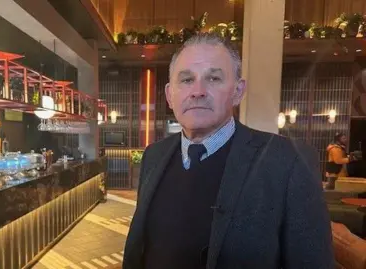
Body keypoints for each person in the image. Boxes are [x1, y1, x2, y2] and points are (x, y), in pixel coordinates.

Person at [123, 33, 334, 269]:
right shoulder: (154, 155)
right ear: (169, 95)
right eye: (186, 80)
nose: (198, 91)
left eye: (213, 78)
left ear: (238, 91)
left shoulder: (288, 162)